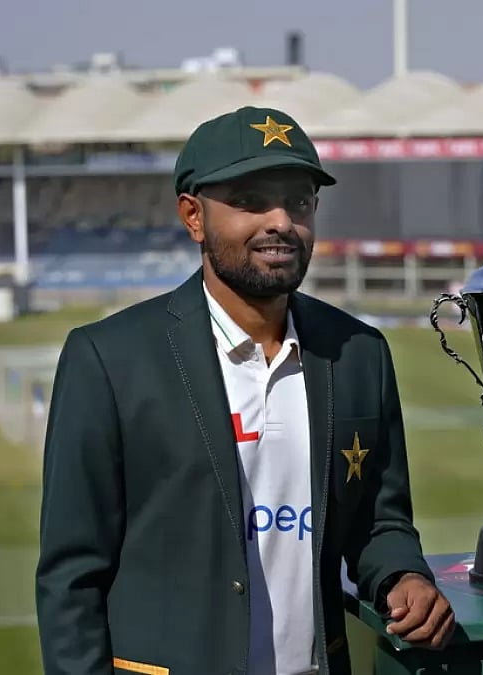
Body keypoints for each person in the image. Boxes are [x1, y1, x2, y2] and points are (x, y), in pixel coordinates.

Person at [35, 106, 454, 675]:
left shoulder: (360, 353)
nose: (280, 221)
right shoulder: (108, 359)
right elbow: (71, 576)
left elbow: (380, 521)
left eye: (299, 202)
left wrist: (403, 575)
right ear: (194, 216)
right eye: (250, 201)